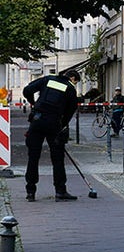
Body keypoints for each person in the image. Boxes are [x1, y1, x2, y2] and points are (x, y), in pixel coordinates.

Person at [23, 69, 82, 201]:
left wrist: (33, 103)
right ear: (72, 78)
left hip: (37, 121)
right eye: (75, 82)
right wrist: (62, 124)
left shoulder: (47, 79)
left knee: (33, 156)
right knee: (57, 158)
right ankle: (60, 191)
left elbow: (27, 90)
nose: (75, 84)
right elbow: (71, 110)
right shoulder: (70, 89)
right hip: (54, 124)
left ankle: (30, 191)